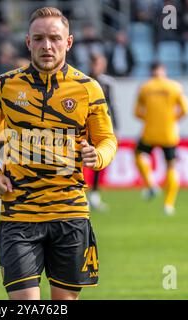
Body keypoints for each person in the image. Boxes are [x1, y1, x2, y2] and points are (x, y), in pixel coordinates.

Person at [0, 7, 117, 300]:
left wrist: (99, 157)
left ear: (69, 42)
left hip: (70, 214)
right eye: (39, 38)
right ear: (28, 42)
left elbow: (107, 140)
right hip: (19, 215)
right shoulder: (5, 86)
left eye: (54, 38)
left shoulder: (88, 89)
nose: (47, 45)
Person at [134, 62, 188, 216]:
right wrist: (173, 119)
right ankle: (168, 205)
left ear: (151, 71)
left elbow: (137, 112)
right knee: (171, 166)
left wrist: (150, 119)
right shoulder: (174, 87)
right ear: (163, 71)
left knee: (139, 154)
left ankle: (151, 184)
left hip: (150, 132)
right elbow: (186, 109)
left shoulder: (145, 87)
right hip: (169, 133)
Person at [87, 54, 118, 212]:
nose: (97, 66)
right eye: (95, 63)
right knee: (78, 162)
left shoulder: (107, 83)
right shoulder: (81, 80)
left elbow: (111, 107)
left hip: (100, 129)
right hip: (84, 129)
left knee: (98, 162)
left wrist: (115, 127)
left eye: (99, 63)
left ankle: (94, 195)